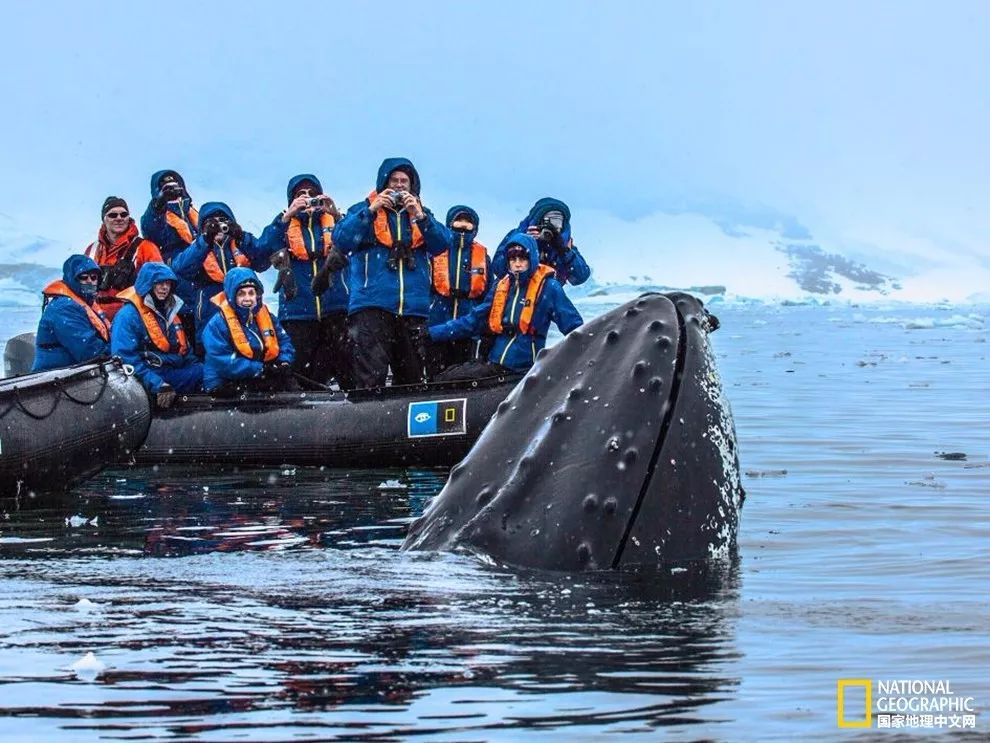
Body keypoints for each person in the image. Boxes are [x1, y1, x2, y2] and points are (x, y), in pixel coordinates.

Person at [331, 157, 448, 387]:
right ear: (383, 183)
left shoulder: (423, 214)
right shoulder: (362, 210)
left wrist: (420, 216)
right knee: (370, 377)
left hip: (413, 310)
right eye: (394, 180)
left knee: (411, 379)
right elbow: (341, 239)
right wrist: (371, 210)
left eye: (404, 181)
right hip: (372, 308)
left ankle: (404, 421)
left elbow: (442, 244)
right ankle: (367, 420)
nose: (399, 185)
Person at [428, 233, 583, 377]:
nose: (517, 264)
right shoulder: (501, 286)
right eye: (513, 260)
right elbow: (473, 321)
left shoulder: (549, 288)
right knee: (448, 377)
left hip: (524, 369)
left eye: (522, 259)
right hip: (495, 363)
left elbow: (575, 328)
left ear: (532, 259)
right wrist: (432, 334)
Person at [259, 174, 352, 389]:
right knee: (301, 374)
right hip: (298, 313)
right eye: (301, 194)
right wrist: (285, 218)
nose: (307, 198)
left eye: (312, 194)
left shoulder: (337, 223)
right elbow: (261, 252)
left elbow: (354, 238)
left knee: (347, 368)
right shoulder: (282, 228)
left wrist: (336, 213)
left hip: (335, 310)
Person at [171, 202, 270, 350]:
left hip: (245, 317)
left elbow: (263, 261)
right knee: (213, 357)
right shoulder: (197, 246)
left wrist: (241, 236)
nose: (218, 227)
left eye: (223, 221)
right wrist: (205, 240)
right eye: (212, 223)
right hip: (209, 314)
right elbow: (180, 269)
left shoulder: (241, 242)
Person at [110, 262, 204, 409]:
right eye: (159, 283)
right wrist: (157, 384)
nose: (164, 287)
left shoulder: (170, 312)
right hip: (149, 377)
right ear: (146, 284)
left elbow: (186, 352)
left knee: (209, 372)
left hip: (171, 371)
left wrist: (200, 369)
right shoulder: (127, 316)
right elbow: (124, 360)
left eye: (168, 283)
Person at [201, 267, 295, 394]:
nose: (247, 298)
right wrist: (260, 369)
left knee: (289, 385)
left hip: (259, 374)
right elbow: (223, 361)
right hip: (224, 381)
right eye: (241, 294)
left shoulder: (268, 317)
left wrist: (284, 361)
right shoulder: (216, 324)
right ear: (231, 296)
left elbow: (283, 341)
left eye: (251, 293)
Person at [426, 205, 490, 378]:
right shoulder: (436, 249)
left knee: (462, 375)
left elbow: (488, 294)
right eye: (459, 220)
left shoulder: (483, 255)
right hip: (437, 323)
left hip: (467, 328)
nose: (463, 224)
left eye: (468, 222)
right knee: (435, 374)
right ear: (450, 223)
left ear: (475, 227)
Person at [140, 169, 199, 338]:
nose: (172, 190)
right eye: (166, 187)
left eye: (175, 186)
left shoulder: (196, 215)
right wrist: (159, 204)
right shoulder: (155, 216)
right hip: (177, 293)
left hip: (202, 293)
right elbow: (151, 230)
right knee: (183, 338)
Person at [84, 197, 163, 322]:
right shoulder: (91, 250)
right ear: (104, 220)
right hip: (95, 318)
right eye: (113, 215)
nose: (119, 218)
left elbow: (160, 284)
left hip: (130, 319)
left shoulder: (146, 248)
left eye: (123, 214)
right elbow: (81, 286)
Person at [32, 255, 110, 372]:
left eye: (94, 278)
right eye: (83, 278)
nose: (90, 282)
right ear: (72, 280)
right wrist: (119, 351)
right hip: (54, 378)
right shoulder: (64, 308)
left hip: (71, 373)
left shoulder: (86, 304)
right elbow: (89, 351)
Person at [492, 197, 590, 286]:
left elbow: (580, 277)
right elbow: (498, 269)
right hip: (515, 294)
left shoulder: (564, 244)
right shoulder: (517, 236)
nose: (551, 229)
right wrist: (525, 245)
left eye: (557, 224)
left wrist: (564, 251)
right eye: (547, 223)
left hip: (550, 297)